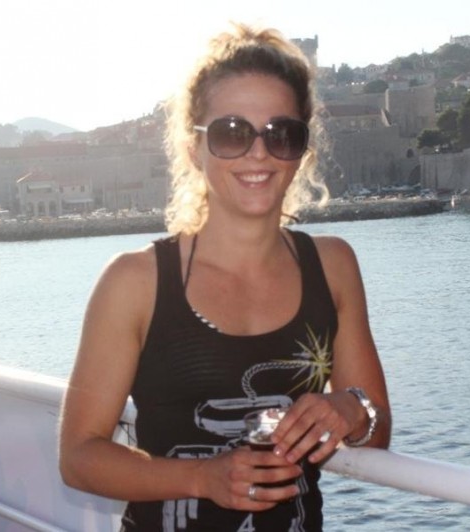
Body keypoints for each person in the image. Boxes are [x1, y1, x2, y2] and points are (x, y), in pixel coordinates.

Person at [59, 22, 391, 532]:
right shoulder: (136, 282)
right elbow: (79, 456)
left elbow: (377, 431)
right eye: (232, 133)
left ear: (302, 150)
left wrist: (351, 409)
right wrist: (202, 478)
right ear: (194, 148)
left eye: (281, 134)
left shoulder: (332, 266)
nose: (259, 152)